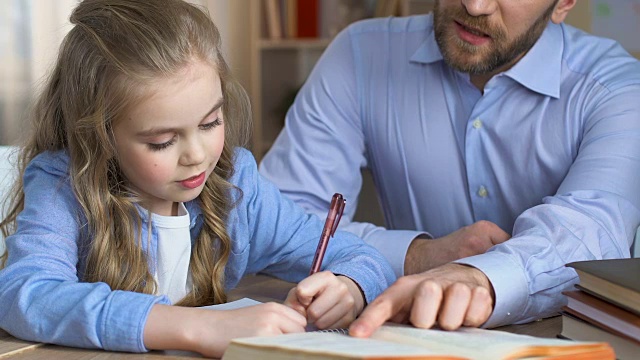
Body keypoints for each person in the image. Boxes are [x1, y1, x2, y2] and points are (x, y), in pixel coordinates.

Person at [0, 0, 395, 357]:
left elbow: (361, 256)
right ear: (99, 135)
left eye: (211, 122)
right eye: (162, 141)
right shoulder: (63, 185)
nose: (197, 156)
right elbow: (25, 295)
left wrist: (349, 287)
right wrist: (195, 327)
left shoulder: (236, 186)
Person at [259, 0, 640, 335]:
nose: (475, 6)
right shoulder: (360, 54)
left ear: (563, 3)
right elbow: (275, 225)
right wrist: (416, 257)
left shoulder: (616, 89)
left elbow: (591, 236)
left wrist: (480, 279)